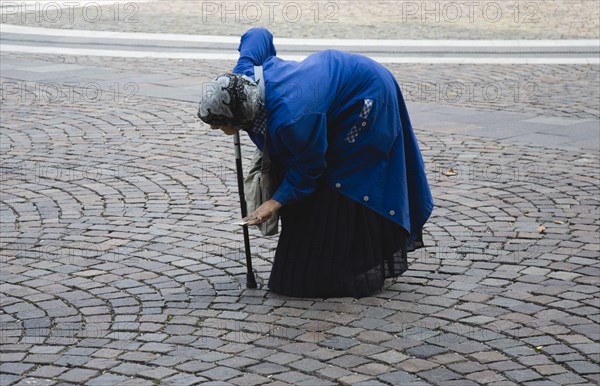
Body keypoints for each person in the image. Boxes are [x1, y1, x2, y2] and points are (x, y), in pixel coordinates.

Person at [198, 28, 433, 298]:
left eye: (219, 124)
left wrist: (274, 203)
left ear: (241, 118)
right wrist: (247, 55)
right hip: (330, 93)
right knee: (314, 170)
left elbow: (309, 167)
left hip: (367, 100)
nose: (216, 129)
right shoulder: (244, 78)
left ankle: (350, 266)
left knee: (341, 178)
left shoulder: (293, 118)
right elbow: (258, 34)